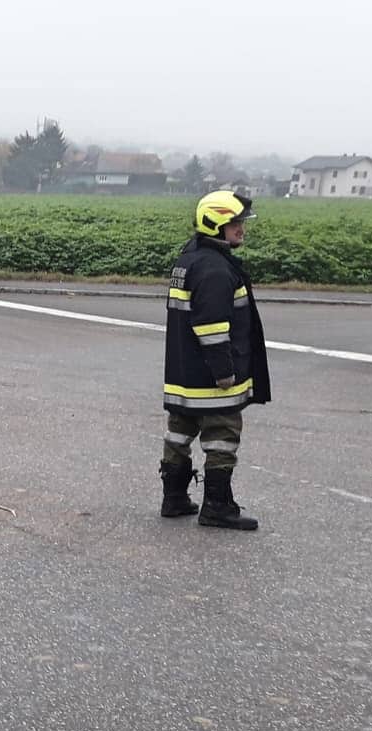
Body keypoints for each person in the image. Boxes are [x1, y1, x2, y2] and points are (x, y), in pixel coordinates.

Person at [159, 190, 272, 530]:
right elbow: (210, 327)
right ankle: (217, 506)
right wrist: (225, 373)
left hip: (184, 374)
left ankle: (174, 497)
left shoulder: (190, 258)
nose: (241, 229)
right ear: (216, 223)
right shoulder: (215, 269)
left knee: (180, 432)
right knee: (222, 435)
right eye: (235, 223)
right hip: (211, 379)